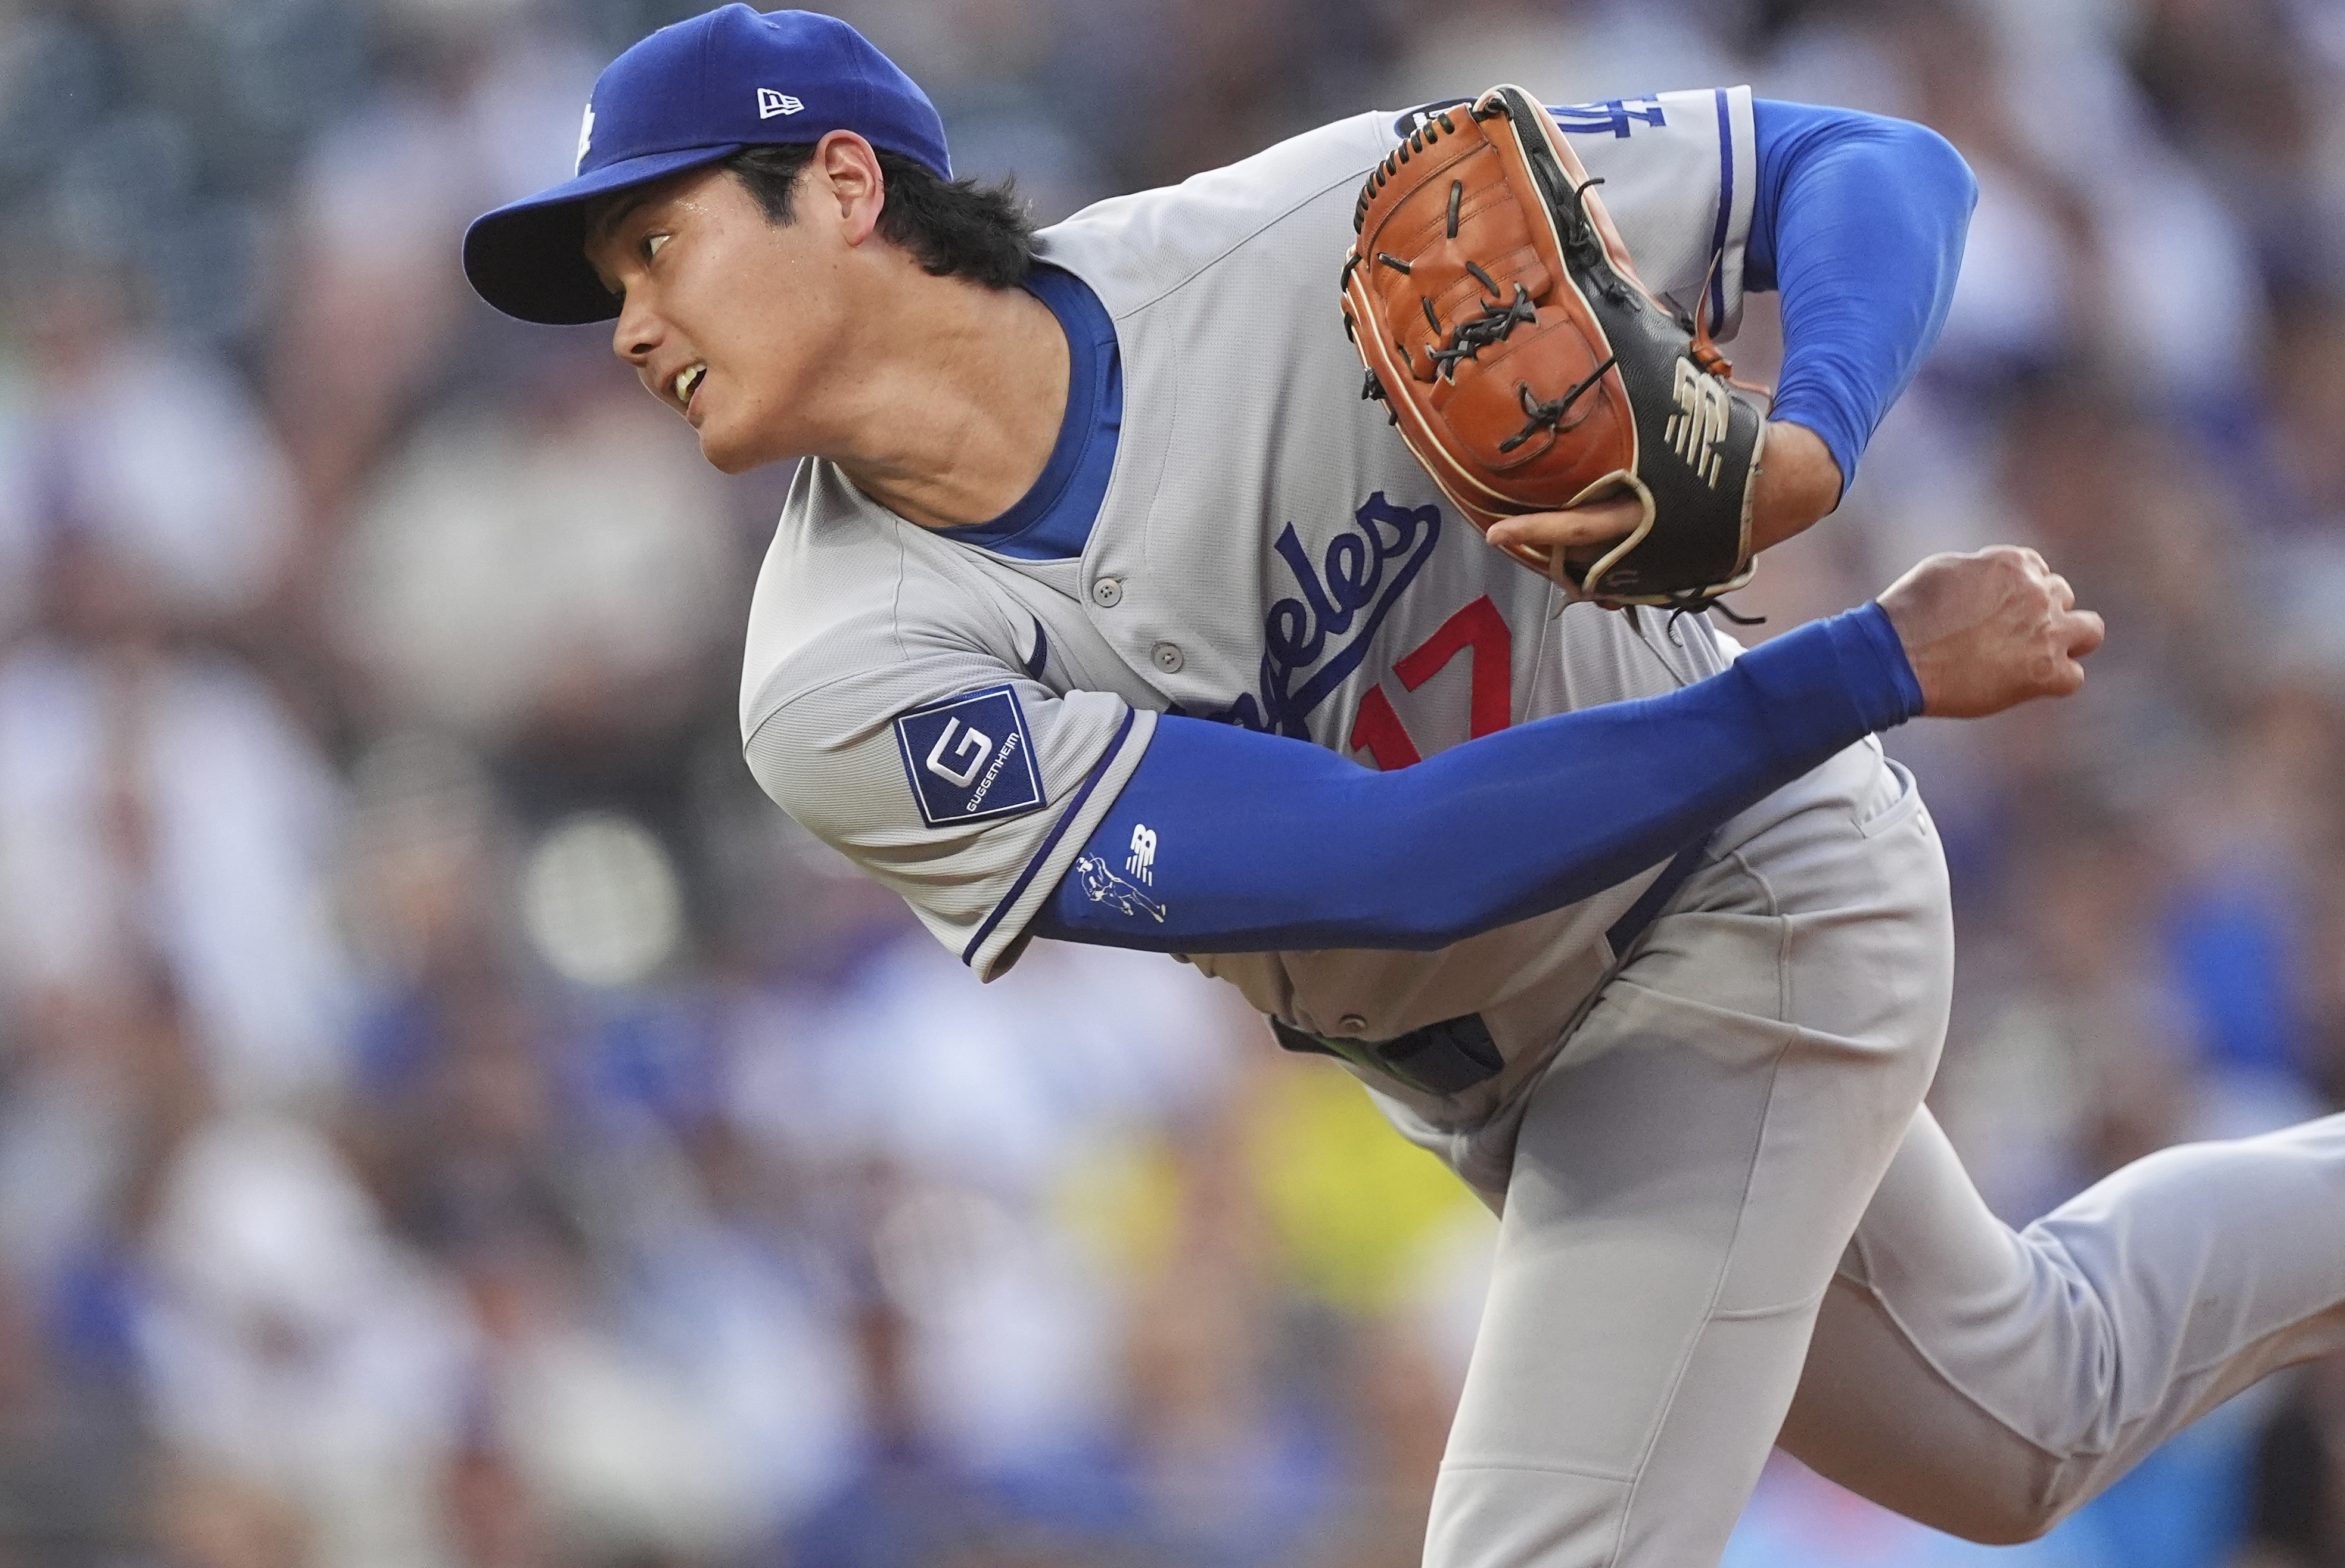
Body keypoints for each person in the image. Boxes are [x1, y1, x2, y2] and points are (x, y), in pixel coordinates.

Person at [462, 9, 2345, 1566]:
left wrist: (1813, 441)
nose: (629, 324)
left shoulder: (1293, 241)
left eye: (658, 245)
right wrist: (1859, 666)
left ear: (845, 187)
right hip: (1516, 1056)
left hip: (1744, 902)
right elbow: (1393, 866)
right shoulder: (841, 677)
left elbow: (1870, 170)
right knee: (2031, 1420)